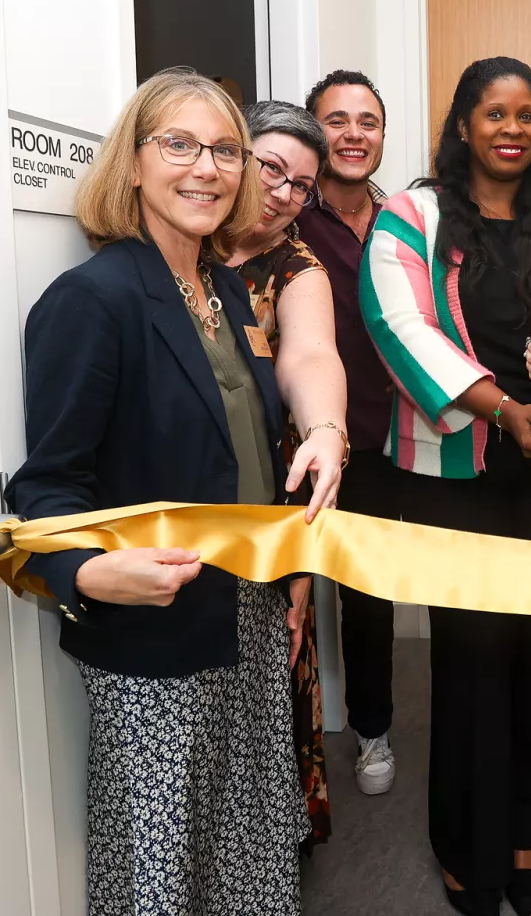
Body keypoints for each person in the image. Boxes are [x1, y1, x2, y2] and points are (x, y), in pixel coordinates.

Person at [4, 68, 347, 914]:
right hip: (152, 630)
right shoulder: (93, 300)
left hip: (251, 612)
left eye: (226, 150)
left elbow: (247, 450)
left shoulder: (222, 288)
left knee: (248, 838)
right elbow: (45, 489)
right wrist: (85, 575)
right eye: (180, 145)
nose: (208, 167)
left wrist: (290, 568)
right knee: (162, 866)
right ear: (133, 165)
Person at [359, 56, 531, 916]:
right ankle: (468, 840)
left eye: (526, 114)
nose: (512, 128)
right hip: (455, 471)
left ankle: (527, 827)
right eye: (493, 113)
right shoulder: (411, 215)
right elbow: (395, 326)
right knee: (470, 651)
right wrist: (500, 405)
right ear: (463, 125)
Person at [226, 99, 349, 850]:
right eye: (270, 167)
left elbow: (309, 356)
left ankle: (271, 850)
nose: (283, 191)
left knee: (280, 657)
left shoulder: (297, 266)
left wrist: (327, 431)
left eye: (302, 184)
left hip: (276, 496)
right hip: (178, 498)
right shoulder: (170, 249)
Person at [297, 68, 400, 794]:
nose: (354, 134)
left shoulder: (407, 220)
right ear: (315, 131)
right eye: (337, 120)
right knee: (334, 591)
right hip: (331, 437)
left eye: (367, 121)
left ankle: (389, 726)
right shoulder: (289, 221)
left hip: (415, 434)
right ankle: (350, 735)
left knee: (398, 584)